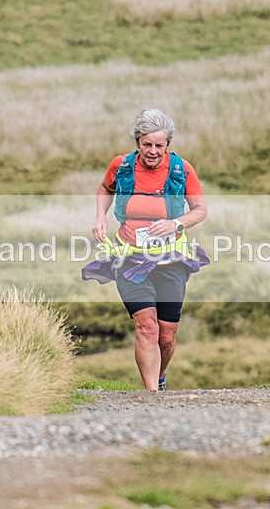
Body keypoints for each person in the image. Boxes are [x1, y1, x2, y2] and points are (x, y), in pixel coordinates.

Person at [82, 108, 208, 391]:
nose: (152, 151)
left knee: (167, 335)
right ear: (137, 142)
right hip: (129, 258)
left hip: (171, 261)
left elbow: (200, 209)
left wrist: (176, 223)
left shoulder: (181, 170)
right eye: (146, 144)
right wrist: (101, 217)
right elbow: (105, 188)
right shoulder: (122, 167)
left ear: (168, 145)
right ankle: (151, 395)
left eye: (159, 146)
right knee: (146, 326)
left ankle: (160, 379)